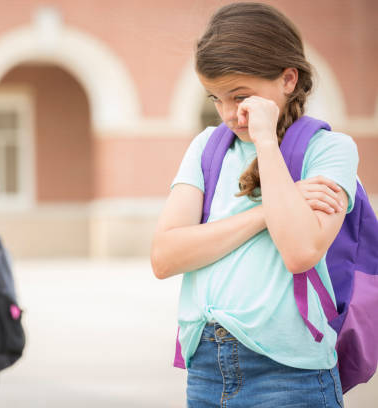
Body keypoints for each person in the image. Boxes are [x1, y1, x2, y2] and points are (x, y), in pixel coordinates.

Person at [150, 3, 358, 406]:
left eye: (241, 97)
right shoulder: (206, 148)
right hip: (207, 367)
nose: (230, 114)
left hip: (289, 374)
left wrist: (265, 140)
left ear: (287, 78)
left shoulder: (330, 150)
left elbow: (299, 251)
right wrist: (266, 212)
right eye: (217, 98)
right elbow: (164, 256)